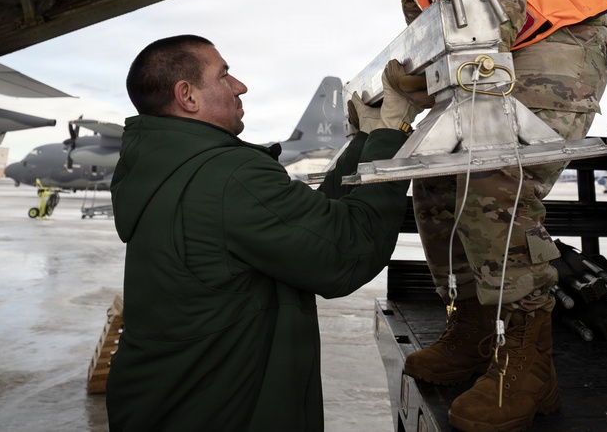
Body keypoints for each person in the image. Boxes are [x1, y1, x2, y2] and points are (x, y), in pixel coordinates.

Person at [340, 0, 607, 432]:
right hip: (489, 64)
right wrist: (396, 86)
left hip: (558, 45)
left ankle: (529, 364)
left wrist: (437, 75)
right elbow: (424, 35)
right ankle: (470, 330)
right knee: (438, 183)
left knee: (494, 185)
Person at [104, 34, 423, 432]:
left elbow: (312, 225)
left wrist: (366, 140)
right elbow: (345, 251)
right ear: (188, 96)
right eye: (224, 76)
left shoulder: (170, 167)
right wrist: (392, 132)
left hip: (168, 405)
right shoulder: (227, 176)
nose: (240, 86)